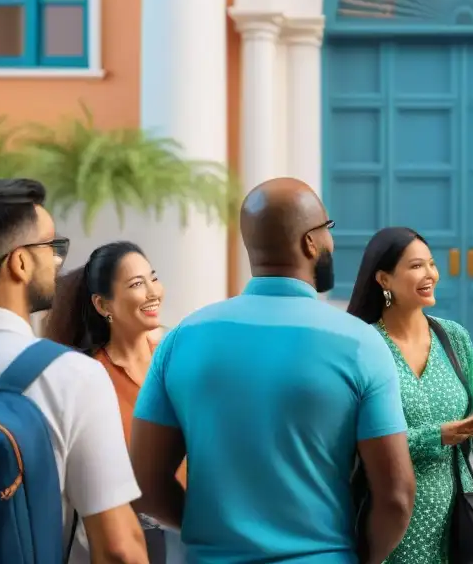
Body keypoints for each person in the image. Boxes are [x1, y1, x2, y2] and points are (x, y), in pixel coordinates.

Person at [129, 178, 416, 564]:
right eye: (327, 231)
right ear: (309, 243)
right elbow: (397, 497)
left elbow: (144, 481)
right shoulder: (360, 344)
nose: (331, 243)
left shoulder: (183, 338)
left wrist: (209, 536)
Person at [0, 178, 147, 564]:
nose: (58, 262)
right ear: (20, 262)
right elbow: (118, 549)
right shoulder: (71, 376)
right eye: (52, 246)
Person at [347, 227, 473, 564]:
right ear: (384, 279)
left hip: (457, 519)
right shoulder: (363, 345)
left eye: (431, 264)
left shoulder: (454, 337)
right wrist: (438, 436)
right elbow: (355, 442)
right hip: (392, 519)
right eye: (416, 266)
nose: (430, 274)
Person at [44, 241, 183, 564]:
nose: (153, 292)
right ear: (103, 304)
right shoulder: (88, 377)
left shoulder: (176, 359)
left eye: (153, 278)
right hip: (137, 540)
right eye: (136, 284)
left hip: (197, 531)